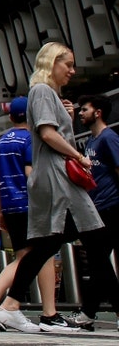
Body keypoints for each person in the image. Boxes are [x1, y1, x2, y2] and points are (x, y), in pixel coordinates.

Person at [0, 42, 119, 332]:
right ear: (53, 63)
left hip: (61, 181)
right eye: (68, 64)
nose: (72, 70)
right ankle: (11, 305)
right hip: (59, 181)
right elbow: (47, 133)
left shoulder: (47, 94)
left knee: (51, 245)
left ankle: (11, 304)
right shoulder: (41, 91)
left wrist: (64, 110)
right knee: (92, 243)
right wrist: (78, 156)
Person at [0, 96, 61, 331]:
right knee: (37, 255)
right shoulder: (30, 139)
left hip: (10, 206)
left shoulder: (2, 142)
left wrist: (1, 209)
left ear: (11, 117)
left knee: (25, 255)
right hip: (30, 205)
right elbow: (31, 173)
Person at [68, 94, 119, 330]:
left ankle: (90, 314)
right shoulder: (90, 142)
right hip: (95, 209)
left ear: (97, 112)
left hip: (111, 208)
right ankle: (88, 314)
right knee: (99, 264)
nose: (81, 113)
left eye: (84, 109)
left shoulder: (109, 138)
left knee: (99, 262)